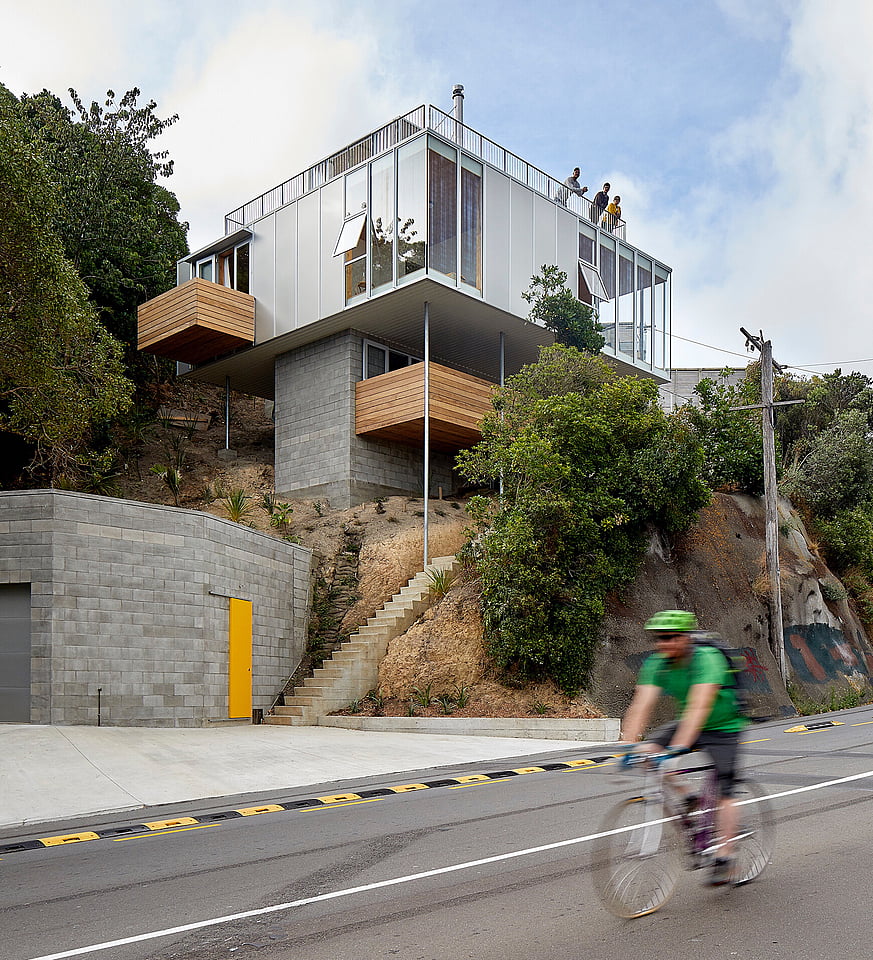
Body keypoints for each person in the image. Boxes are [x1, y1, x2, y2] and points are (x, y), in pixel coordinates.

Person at [619, 609, 748, 886]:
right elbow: (641, 704)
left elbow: (699, 706)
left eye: (670, 638)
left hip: (723, 725)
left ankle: (725, 856)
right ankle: (690, 795)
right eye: (658, 639)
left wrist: (678, 748)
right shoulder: (657, 663)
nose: (663, 644)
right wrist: (628, 745)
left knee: (726, 788)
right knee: (649, 752)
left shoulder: (706, 658)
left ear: (687, 637)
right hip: (689, 722)